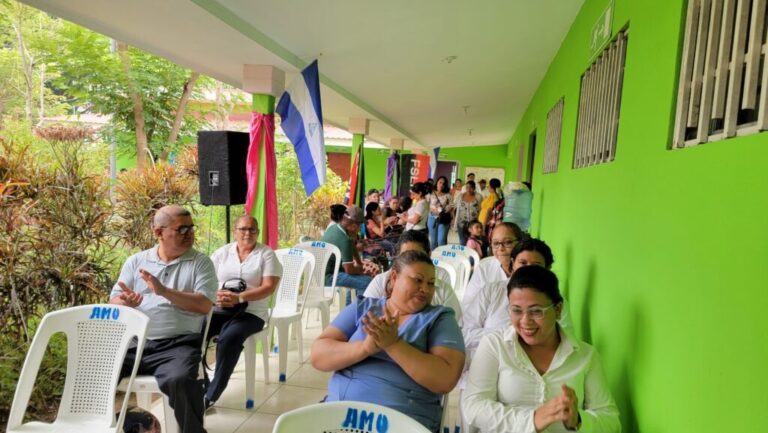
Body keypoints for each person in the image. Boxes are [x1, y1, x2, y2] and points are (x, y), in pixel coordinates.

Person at [311, 251, 465, 432]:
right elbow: (317, 355)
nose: (425, 288)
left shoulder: (439, 318)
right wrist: (364, 348)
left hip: (402, 423)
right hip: (338, 417)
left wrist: (394, 345)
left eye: (431, 283)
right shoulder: (364, 307)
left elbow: (445, 379)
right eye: (418, 280)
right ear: (394, 277)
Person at [462, 266, 619, 433]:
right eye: (516, 310)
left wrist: (578, 420)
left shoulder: (585, 355)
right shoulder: (495, 345)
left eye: (536, 311)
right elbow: (474, 405)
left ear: (558, 310)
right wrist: (532, 420)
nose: (525, 321)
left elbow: (611, 422)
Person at [110, 205, 217, 433]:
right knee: (96, 370)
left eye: (191, 228)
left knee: (181, 380)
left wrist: (164, 291)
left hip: (177, 345)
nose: (189, 234)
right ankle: (106, 425)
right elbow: (114, 301)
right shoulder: (136, 261)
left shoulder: (200, 263)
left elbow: (204, 305)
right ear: (158, 232)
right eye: (181, 229)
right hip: (135, 344)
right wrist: (126, 302)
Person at [204, 216, 281, 408]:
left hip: (252, 312)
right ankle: (201, 384)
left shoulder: (266, 255)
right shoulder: (222, 253)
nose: (248, 233)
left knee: (229, 338)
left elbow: (269, 287)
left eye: (253, 230)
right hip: (221, 309)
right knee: (195, 329)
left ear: (258, 232)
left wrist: (240, 297)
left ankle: (211, 395)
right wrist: (219, 295)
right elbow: (206, 282)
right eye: (243, 229)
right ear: (235, 231)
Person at [462, 237, 573, 365]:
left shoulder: (554, 303)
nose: (528, 270)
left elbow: (566, 340)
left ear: (547, 269)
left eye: (536, 266)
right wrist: (511, 334)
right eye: (523, 263)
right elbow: (465, 334)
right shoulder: (491, 291)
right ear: (513, 263)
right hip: (487, 362)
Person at [363, 229, 462, 323]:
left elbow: (455, 326)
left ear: (429, 255)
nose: (411, 263)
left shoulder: (442, 287)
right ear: (393, 278)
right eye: (405, 256)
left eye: (430, 283)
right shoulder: (381, 281)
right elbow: (363, 319)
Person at [321, 206, 373, 305]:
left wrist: (359, 263)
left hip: (319, 275)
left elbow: (352, 246)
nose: (359, 229)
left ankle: (349, 307)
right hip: (329, 277)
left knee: (359, 279)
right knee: (367, 282)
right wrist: (361, 272)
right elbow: (349, 269)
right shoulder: (345, 239)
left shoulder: (334, 227)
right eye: (360, 226)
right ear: (353, 225)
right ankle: (353, 312)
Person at [428, 175, 453, 249]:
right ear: (437, 183)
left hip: (443, 218)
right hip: (432, 218)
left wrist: (444, 210)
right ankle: (434, 258)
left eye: (444, 183)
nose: (442, 185)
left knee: (441, 240)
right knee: (433, 241)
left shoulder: (448, 195)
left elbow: (452, 205)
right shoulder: (430, 194)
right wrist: (434, 210)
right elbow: (426, 205)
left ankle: (442, 257)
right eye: (440, 182)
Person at [454, 180, 481, 245]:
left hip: (473, 224)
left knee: (473, 242)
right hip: (461, 223)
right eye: (467, 187)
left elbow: (481, 209)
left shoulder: (478, 196)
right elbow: (454, 207)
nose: (469, 189)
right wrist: (455, 219)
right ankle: (463, 255)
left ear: (474, 188)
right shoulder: (460, 196)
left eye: (471, 187)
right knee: (462, 241)